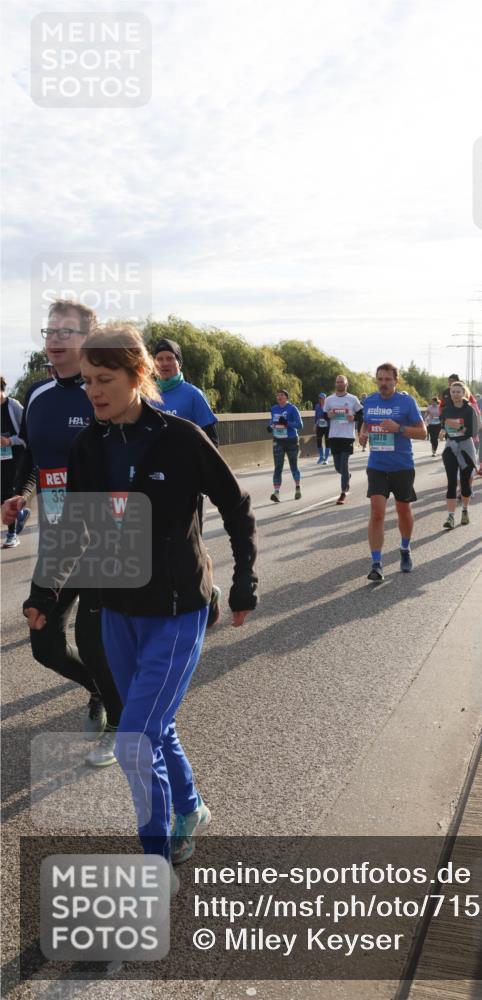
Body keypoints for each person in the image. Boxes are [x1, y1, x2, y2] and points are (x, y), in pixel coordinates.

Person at [22, 325, 257, 873]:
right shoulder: (90, 445)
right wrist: (44, 592)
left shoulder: (181, 438)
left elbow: (236, 506)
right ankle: (191, 809)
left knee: (134, 739)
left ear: (138, 375)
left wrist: (245, 579)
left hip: (176, 611)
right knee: (154, 727)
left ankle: (156, 862)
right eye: (86, 382)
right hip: (116, 609)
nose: (94, 392)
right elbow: (74, 528)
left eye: (105, 380)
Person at [1, 299, 122, 766]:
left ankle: (118, 718)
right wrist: (21, 493)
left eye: (65, 332)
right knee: (44, 642)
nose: (53, 338)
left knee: (94, 638)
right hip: (57, 536)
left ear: (87, 340)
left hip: (106, 537)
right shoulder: (36, 394)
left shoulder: (106, 390)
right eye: (49, 330)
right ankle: (97, 687)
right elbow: (34, 458)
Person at [151, 338, 221, 626]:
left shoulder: (192, 395)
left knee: (191, 547)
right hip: (151, 486)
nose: (165, 364)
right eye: (160, 359)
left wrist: (203, 476)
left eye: (170, 358)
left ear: (179, 363)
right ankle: (165, 603)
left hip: (185, 486)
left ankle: (208, 592)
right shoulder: (145, 394)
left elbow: (211, 440)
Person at [358, 364, 427, 581]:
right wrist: (363, 434)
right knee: (377, 512)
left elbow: (423, 433)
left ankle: (405, 548)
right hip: (377, 465)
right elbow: (366, 423)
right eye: (380, 379)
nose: (384, 383)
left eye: (388, 379)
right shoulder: (369, 401)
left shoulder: (407, 402)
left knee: (403, 510)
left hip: (402, 466)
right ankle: (376, 563)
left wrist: (399, 428)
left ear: (396, 381)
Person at [440, 381, 477, 531]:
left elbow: (472, 432)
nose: (455, 394)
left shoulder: (469, 410)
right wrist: (443, 431)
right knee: (451, 482)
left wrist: (458, 426)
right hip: (451, 447)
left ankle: (465, 511)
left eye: (458, 392)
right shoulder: (447, 409)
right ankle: (450, 516)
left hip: (466, 448)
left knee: (465, 482)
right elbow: (444, 425)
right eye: (453, 391)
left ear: (463, 393)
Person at [323, 375, 362, 505]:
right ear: (336, 384)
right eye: (337, 382)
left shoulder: (352, 399)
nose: (339, 384)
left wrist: (354, 417)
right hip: (334, 435)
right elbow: (324, 414)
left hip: (347, 436)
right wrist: (328, 415)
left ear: (346, 384)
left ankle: (343, 493)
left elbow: (361, 413)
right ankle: (347, 476)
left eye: (342, 382)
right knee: (338, 467)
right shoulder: (329, 399)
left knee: (344, 464)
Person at [1, 376, 26, 548]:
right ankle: (21, 513)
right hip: (2, 457)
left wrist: (10, 441)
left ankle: (11, 534)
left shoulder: (14, 406)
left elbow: (28, 433)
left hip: (18, 457)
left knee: (8, 494)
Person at [268, 390, 303, 502]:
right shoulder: (274, 408)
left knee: (293, 465)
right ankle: (276, 493)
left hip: (291, 440)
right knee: (278, 467)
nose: (279, 397)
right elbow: (272, 421)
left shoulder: (292, 409)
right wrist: (270, 426)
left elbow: (300, 425)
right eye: (277, 395)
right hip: (278, 440)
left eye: (281, 395)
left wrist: (287, 423)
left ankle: (297, 488)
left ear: (286, 397)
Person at [313, 392, 331, 465]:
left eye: (323, 398)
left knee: (327, 442)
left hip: (327, 426)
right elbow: (316, 416)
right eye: (320, 398)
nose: (321, 400)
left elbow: (331, 416)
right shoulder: (317, 406)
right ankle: (321, 456)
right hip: (319, 425)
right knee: (319, 441)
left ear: (325, 398)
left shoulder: (329, 406)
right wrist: (315, 425)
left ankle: (326, 459)